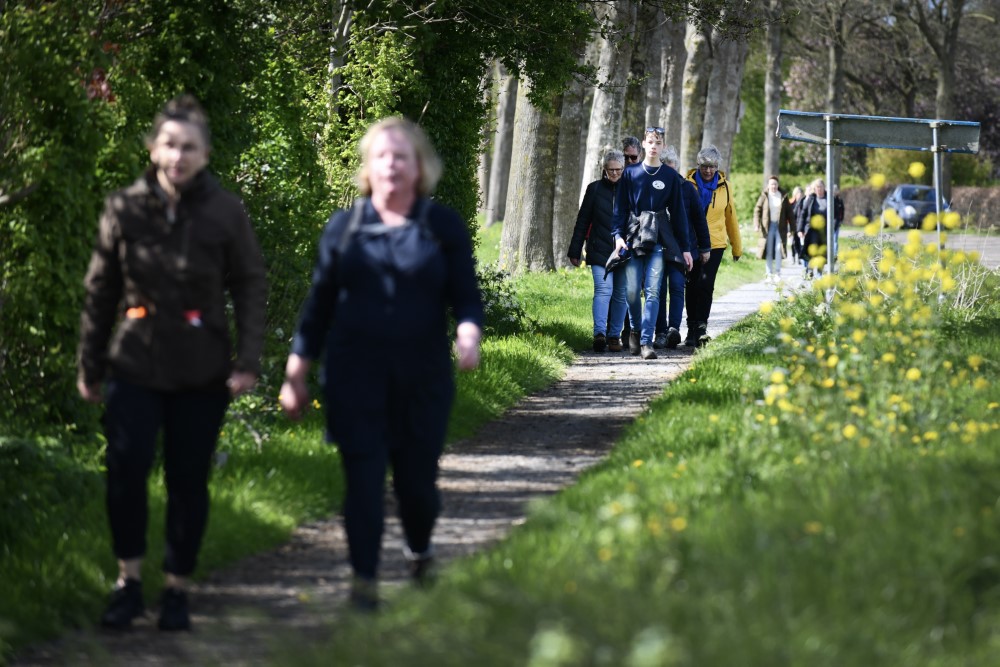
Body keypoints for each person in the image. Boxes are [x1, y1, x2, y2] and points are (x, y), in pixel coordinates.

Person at [77, 94, 267, 631]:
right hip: (133, 361)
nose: (177, 156)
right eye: (168, 144)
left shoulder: (225, 211)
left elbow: (250, 283)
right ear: (153, 148)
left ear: (205, 154)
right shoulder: (124, 207)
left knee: (187, 479)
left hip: (201, 368)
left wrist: (247, 359)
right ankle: (129, 583)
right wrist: (90, 365)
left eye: (189, 147)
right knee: (125, 470)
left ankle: (178, 588)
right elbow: (100, 289)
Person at [279, 117, 483, 611]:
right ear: (368, 168)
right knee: (364, 481)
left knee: (416, 486)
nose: (392, 165)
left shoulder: (441, 227)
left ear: (420, 168)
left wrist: (468, 333)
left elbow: (466, 297)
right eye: (383, 157)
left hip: (423, 378)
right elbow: (319, 306)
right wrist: (296, 372)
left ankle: (419, 548)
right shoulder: (345, 228)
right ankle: (364, 585)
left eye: (402, 157)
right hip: (354, 377)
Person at [611, 126, 692, 361]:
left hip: (657, 239)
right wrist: (617, 237)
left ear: (663, 146)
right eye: (650, 141)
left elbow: (678, 214)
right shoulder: (630, 173)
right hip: (634, 237)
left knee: (654, 291)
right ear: (643, 145)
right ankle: (635, 329)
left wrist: (685, 248)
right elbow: (620, 209)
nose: (654, 146)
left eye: (658, 142)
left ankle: (646, 341)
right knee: (633, 290)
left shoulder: (669, 176)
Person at [568, 149, 628, 353]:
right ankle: (599, 334)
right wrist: (575, 250)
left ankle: (614, 336)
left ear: (623, 168)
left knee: (621, 294)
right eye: (610, 170)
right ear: (604, 170)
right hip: (599, 249)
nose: (614, 174)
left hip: (624, 251)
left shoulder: (631, 188)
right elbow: (583, 220)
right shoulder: (594, 189)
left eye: (618, 170)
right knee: (603, 291)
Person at [684, 145, 742, 347]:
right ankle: (690, 327)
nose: (708, 170)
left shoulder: (725, 186)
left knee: (706, 284)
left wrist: (737, 247)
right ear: (698, 165)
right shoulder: (688, 184)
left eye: (713, 166)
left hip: (715, 243)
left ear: (718, 166)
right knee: (691, 285)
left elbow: (731, 217)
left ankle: (701, 327)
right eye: (705, 166)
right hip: (692, 243)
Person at [654, 145, 710, 349]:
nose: (668, 171)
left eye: (671, 167)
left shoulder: (687, 188)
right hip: (658, 246)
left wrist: (705, 248)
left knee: (677, 287)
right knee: (658, 290)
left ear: (676, 167)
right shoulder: (654, 187)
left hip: (680, 248)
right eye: (664, 166)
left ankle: (673, 329)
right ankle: (660, 331)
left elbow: (699, 220)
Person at [753, 176, 793, 283]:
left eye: (775, 184)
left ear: (777, 185)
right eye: (771, 184)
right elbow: (757, 210)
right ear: (768, 185)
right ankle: (769, 274)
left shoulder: (783, 196)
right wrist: (756, 224)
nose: (773, 186)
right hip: (768, 227)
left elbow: (790, 213)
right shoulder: (764, 196)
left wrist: (792, 229)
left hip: (780, 227)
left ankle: (778, 273)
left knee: (778, 249)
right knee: (769, 250)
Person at [796, 178, 832, 278]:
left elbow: (835, 214)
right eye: (817, 187)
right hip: (811, 230)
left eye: (820, 187)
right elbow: (803, 214)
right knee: (812, 251)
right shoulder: (811, 199)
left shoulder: (829, 199)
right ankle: (810, 271)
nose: (819, 189)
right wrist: (800, 229)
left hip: (824, 230)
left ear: (824, 187)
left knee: (821, 252)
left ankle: (820, 273)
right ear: (814, 189)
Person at [788, 185, 805, 263]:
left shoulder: (804, 202)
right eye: (798, 193)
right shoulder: (791, 203)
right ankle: (793, 256)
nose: (800, 195)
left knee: (799, 242)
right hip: (792, 225)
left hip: (800, 225)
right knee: (793, 242)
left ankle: (798, 256)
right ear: (795, 194)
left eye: (801, 193)